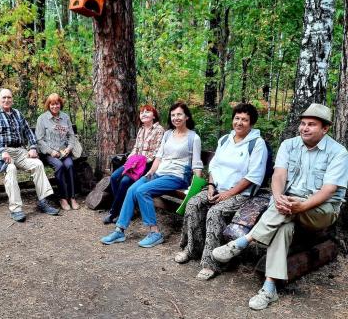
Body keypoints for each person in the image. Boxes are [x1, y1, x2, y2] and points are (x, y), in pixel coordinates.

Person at [211, 103, 348, 310]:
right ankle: (269, 288)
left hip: (322, 210)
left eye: (311, 124)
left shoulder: (338, 152)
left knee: (289, 208)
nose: (305, 128)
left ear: (325, 128)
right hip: (287, 206)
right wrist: (277, 197)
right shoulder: (289, 145)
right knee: (284, 228)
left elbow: (328, 190)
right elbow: (279, 175)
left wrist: (301, 206)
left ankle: (244, 241)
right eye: (303, 123)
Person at [175, 103, 268, 280]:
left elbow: (253, 176)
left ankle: (212, 263)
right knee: (193, 203)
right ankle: (192, 249)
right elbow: (214, 166)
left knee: (215, 212)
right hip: (217, 189)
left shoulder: (257, 144)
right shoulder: (225, 140)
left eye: (245, 120)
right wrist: (210, 186)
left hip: (242, 194)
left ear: (252, 123)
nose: (239, 122)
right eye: (237, 118)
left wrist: (229, 193)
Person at [100, 102, 203, 248]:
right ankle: (119, 230)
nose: (176, 117)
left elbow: (197, 164)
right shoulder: (168, 134)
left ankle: (155, 233)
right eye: (173, 115)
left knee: (143, 191)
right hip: (159, 172)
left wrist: (195, 187)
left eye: (179, 114)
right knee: (132, 190)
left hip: (176, 177)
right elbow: (159, 157)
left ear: (186, 117)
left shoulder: (193, 137)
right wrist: (151, 172)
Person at [0, 88, 59, 222]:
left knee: (37, 164)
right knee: (11, 169)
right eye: (4, 98)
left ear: (12, 99)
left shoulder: (17, 114)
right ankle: (16, 209)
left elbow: (28, 132)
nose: (7, 100)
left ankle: (43, 202)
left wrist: (32, 147)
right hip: (0, 151)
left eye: (9, 97)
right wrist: (3, 151)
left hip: (19, 151)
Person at [102, 105, 165, 224]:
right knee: (115, 177)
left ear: (154, 115)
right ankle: (126, 209)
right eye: (142, 112)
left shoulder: (159, 130)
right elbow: (136, 148)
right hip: (135, 162)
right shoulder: (141, 129)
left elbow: (158, 151)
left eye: (147, 112)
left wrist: (143, 160)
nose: (144, 114)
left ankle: (114, 212)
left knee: (125, 181)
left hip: (148, 164)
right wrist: (130, 159)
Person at [36, 93, 79, 211]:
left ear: (60, 104)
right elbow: (39, 139)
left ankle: (72, 197)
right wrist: (51, 151)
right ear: (48, 105)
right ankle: (63, 198)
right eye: (52, 104)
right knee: (59, 166)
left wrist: (69, 148)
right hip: (49, 153)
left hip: (64, 151)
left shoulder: (65, 117)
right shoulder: (42, 119)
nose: (55, 106)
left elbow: (71, 136)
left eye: (57, 104)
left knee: (69, 165)